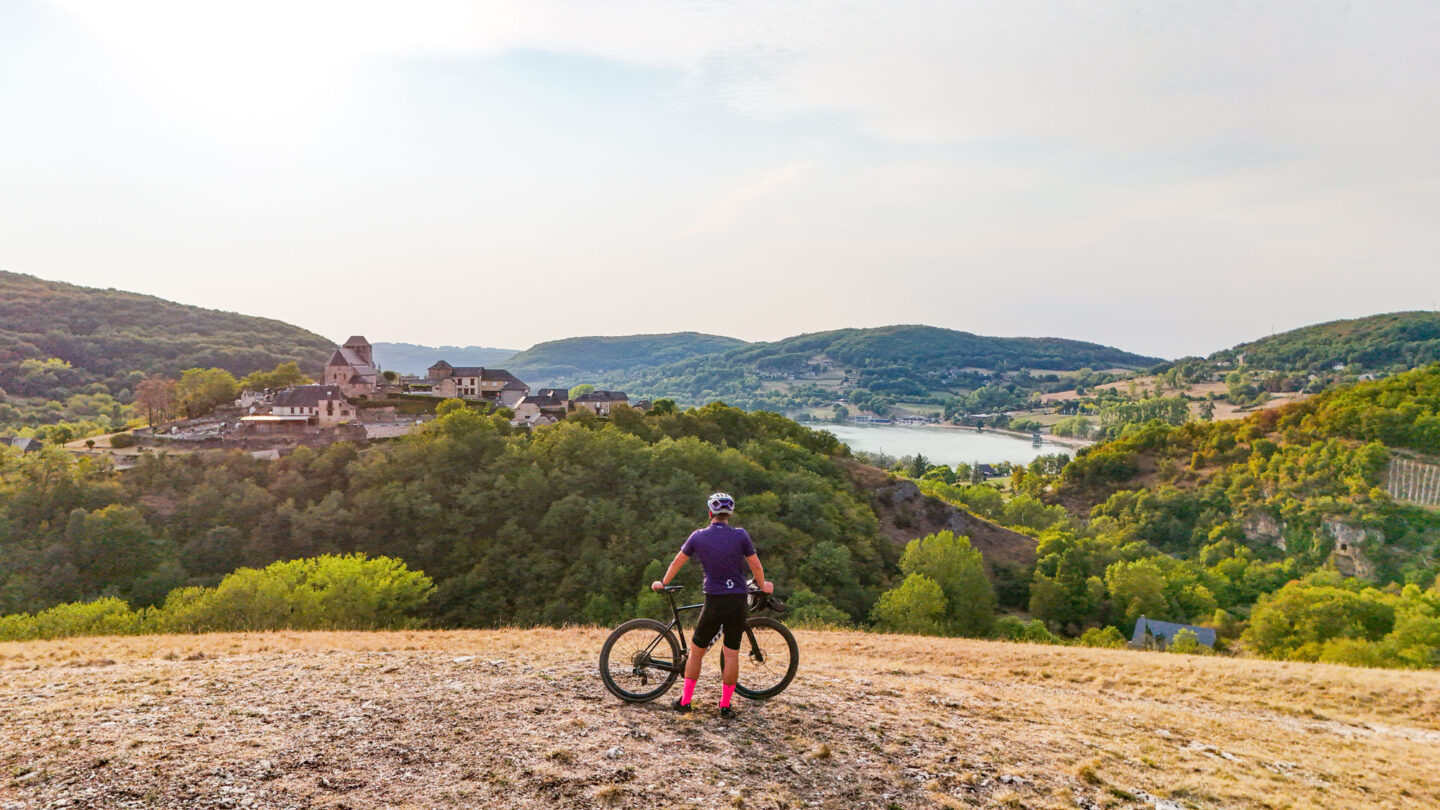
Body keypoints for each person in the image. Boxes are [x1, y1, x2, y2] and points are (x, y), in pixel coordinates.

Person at [652, 491, 773, 718]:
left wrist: (663, 582)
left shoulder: (698, 536)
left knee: (696, 653)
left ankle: (686, 702)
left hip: (714, 601)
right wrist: (763, 585)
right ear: (729, 514)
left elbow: (678, 561)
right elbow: (755, 565)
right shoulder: (741, 535)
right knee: (731, 655)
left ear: (710, 513)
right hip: (737, 600)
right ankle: (725, 706)